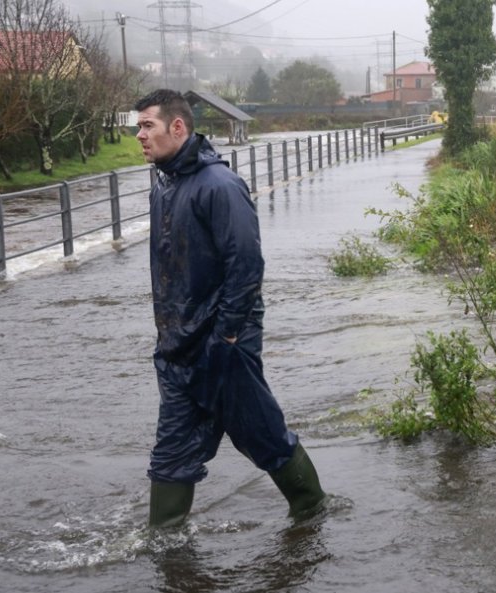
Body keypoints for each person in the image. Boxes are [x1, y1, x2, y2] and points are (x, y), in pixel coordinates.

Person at [135, 89, 325, 527]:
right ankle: (164, 545)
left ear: (177, 127)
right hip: (178, 348)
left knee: (263, 434)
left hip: (223, 344)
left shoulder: (220, 186)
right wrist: (169, 337)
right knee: (171, 452)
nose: (139, 135)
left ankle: (314, 512)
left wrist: (227, 336)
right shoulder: (164, 186)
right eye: (138, 127)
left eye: (147, 125)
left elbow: (246, 265)